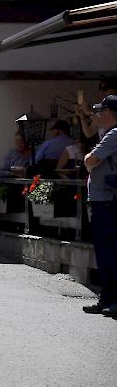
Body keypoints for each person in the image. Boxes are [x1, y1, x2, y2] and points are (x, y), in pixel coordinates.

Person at [83, 95, 117, 317]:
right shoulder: (109, 134)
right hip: (104, 200)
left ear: (110, 113)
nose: (97, 114)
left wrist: (88, 157)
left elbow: (91, 161)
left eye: (100, 110)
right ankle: (106, 299)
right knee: (105, 253)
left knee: (109, 253)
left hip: (108, 201)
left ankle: (112, 300)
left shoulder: (114, 134)